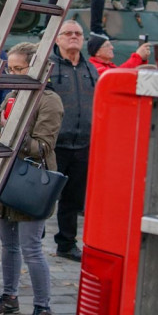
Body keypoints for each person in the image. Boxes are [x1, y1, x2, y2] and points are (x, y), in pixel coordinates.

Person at [0, 42, 63, 315]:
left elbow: (43, 147)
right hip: (8, 177)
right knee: (8, 245)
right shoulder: (14, 94)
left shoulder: (49, 100)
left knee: (31, 247)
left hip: (31, 182)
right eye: (11, 69)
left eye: (19, 69)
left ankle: (44, 307)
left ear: (38, 68)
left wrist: (12, 134)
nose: (14, 74)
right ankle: (9, 296)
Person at [48, 20, 98, 262]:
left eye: (78, 33)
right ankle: (31, 240)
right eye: (68, 33)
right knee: (44, 194)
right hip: (54, 143)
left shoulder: (91, 70)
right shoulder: (49, 68)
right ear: (57, 39)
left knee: (73, 199)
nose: (74, 37)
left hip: (83, 144)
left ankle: (66, 244)